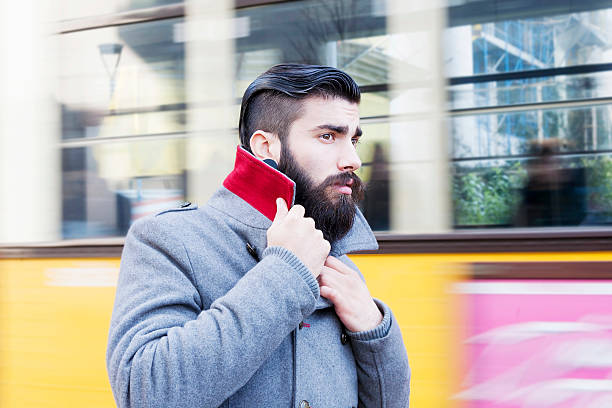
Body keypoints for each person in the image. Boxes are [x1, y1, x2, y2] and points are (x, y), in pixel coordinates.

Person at [106, 64, 411, 408]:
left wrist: (374, 329)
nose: (353, 159)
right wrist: (285, 275)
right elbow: (145, 393)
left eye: (353, 139)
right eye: (328, 136)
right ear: (266, 146)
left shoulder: (340, 265)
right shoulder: (169, 240)